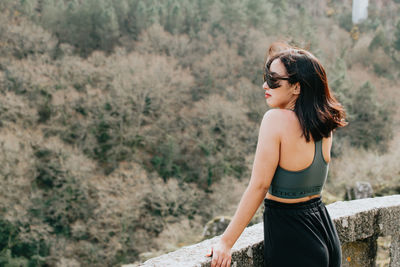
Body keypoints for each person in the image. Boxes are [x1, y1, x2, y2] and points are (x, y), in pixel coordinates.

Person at [206, 42, 347, 267]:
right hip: (325, 234)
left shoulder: (275, 120)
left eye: (273, 80)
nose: (265, 85)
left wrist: (225, 242)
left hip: (294, 241)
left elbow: (259, 186)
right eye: (266, 77)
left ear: (297, 87)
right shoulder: (323, 124)